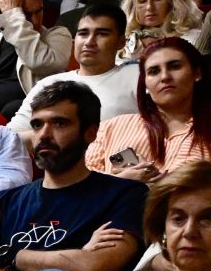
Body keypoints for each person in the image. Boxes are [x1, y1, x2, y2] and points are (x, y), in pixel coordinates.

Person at [0, 81, 145, 271]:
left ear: (90, 133)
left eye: (59, 123)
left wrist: (11, 256)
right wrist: (76, 257)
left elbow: (95, 268)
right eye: (37, 125)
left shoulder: (127, 194)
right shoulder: (7, 200)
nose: (44, 135)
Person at [88, 37, 211, 182]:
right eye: (154, 71)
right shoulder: (110, 128)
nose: (165, 77)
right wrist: (119, 185)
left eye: (175, 66)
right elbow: (81, 191)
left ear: (197, 73)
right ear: (145, 84)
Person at [26, 3, 139, 121]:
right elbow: (13, 134)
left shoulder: (138, 76)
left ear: (121, 42)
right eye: (83, 33)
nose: (89, 42)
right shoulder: (48, 84)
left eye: (102, 34)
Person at [121, 0, 211, 61]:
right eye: (142, 1)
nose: (149, 7)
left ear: (174, 1)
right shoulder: (122, 40)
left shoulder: (191, 39)